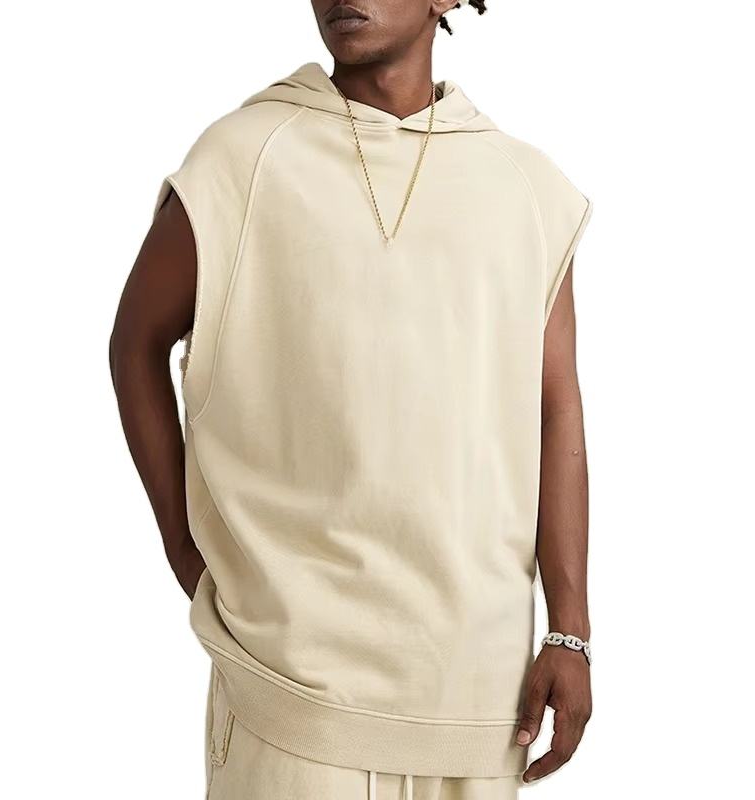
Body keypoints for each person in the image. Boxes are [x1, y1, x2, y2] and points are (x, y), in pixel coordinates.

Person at [109, 2, 593, 798]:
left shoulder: (528, 190)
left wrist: (570, 631)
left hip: (478, 697)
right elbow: (135, 342)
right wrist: (183, 548)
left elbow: (556, 407)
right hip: (290, 690)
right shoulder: (244, 158)